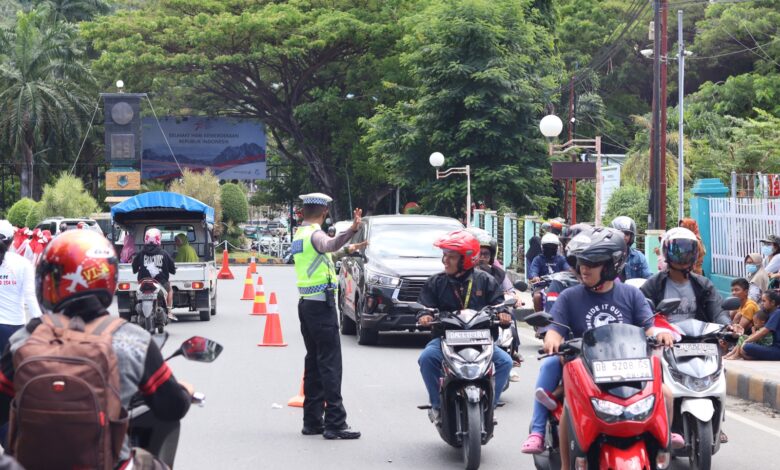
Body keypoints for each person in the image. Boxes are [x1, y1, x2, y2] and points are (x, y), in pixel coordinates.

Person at [0, 229, 193, 469]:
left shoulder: (24, 339)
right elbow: (172, 408)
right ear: (108, 278)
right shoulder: (134, 340)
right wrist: (185, 391)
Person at [520, 227, 678, 462]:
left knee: (666, 394)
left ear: (611, 265)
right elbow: (555, 330)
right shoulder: (569, 296)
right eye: (582, 262)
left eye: (592, 263)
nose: (584, 268)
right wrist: (552, 341)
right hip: (586, 369)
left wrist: (661, 334)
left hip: (628, 368)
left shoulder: (631, 295)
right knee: (569, 409)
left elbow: (649, 327)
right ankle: (560, 457)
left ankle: (663, 442)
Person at [417, 230, 513, 424]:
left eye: (451, 257)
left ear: (467, 260)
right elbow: (424, 307)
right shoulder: (436, 282)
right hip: (446, 341)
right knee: (426, 358)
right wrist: (425, 316)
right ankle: (437, 406)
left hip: (481, 341)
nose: (445, 261)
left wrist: (504, 314)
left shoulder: (486, 280)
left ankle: (489, 409)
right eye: (445, 256)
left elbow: (499, 304)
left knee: (505, 362)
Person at [293, 192, 365, 440]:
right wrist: (351, 231)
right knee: (331, 364)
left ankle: (312, 421)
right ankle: (335, 422)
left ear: (303, 212)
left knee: (314, 362)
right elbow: (328, 245)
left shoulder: (300, 235)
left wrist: (349, 249)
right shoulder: (315, 234)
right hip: (321, 309)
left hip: (306, 306)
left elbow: (324, 255)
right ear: (324, 213)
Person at [640, 227, 730, 325]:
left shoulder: (703, 284)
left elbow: (718, 310)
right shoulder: (654, 284)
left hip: (699, 339)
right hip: (664, 338)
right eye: (676, 252)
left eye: (688, 252)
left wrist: (727, 325)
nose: (683, 257)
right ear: (666, 252)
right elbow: (641, 310)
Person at [0, 220, 41, 355]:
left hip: (12, 326)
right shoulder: (22, 264)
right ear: (11, 240)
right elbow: (30, 297)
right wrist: (42, 324)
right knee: (10, 372)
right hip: (14, 328)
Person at [132, 228, 177, 321]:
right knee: (170, 290)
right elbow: (172, 270)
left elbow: (134, 268)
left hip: (143, 282)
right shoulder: (164, 253)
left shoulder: (141, 253)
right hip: (161, 283)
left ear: (146, 239)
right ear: (158, 239)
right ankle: (169, 311)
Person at [739, 290, 780, 360]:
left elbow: (764, 331)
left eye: (764, 301)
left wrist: (747, 341)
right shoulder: (768, 312)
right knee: (742, 342)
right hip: (769, 345)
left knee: (747, 346)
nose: (761, 303)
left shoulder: (777, 312)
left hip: (777, 348)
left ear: (772, 302)